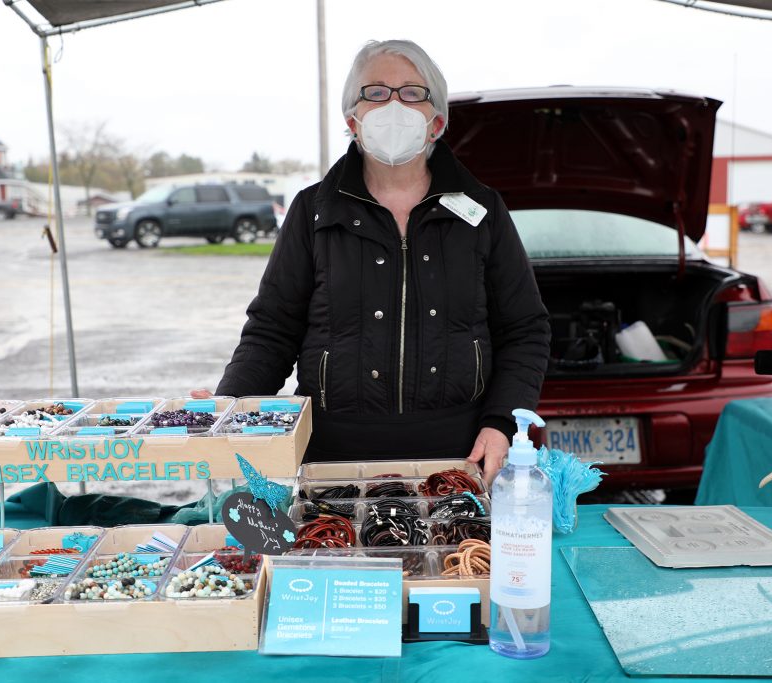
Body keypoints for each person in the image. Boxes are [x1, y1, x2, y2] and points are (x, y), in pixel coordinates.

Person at [196, 39, 550, 482]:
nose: (395, 104)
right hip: (333, 460)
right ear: (353, 121)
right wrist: (230, 407)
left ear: (436, 122)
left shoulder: (482, 211)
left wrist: (500, 423)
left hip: (458, 459)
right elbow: (273, 329)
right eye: (377, 92)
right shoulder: (313, 211)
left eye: (413, 92)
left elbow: (525, 330)